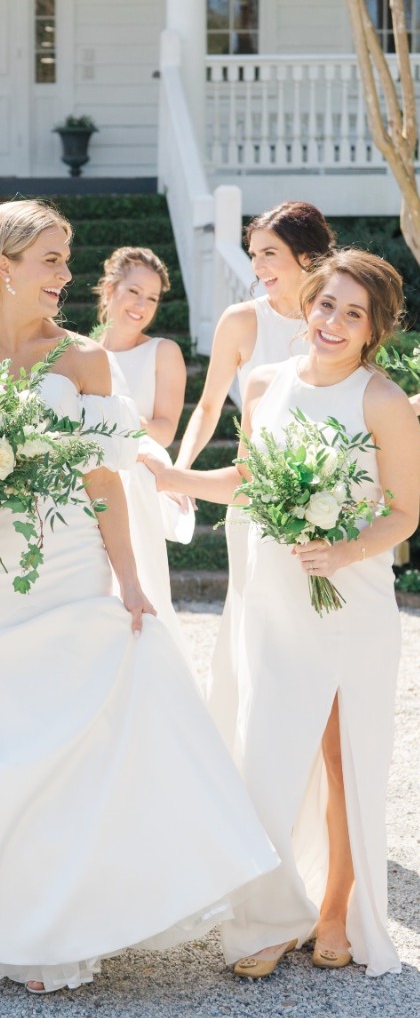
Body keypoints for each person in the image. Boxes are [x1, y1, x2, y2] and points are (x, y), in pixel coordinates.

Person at [0, 199, 278, 993]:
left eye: (68, 260)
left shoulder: (83, 361)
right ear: (4, 263)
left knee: (66, 733)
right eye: (50, 259)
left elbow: (103, 475)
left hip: (67, 558)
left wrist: (132, 579)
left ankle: (61, 926)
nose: (66, 276)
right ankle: (3, 913)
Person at [146, 249, 420, 977]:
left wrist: (346, 551)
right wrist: (179, 477)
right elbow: (249, 477)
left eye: (352, 314)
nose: (332, 322)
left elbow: (404, 513)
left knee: (340, 757)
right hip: (274, 595)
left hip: (348, 602)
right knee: (266, 751)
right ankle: (266, 918)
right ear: (307, 306)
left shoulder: (382, 401)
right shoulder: (265, 382)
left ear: (374, 330)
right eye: (325, 305)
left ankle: (336, 910)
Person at [175, 201, 337, 744]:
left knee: (315, 624)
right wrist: (182, 468)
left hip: (329, 497)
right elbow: (208, 405)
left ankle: (308, 735)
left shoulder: (335, 321)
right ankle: (246, 740)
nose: (258, 268)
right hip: (256, 495)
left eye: (269, 255)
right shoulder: (242, 321)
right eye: (253, 256)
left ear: (307, 256)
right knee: (256, 616)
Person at [95, 247, 191, 656]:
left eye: (151, 298)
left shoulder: (163, 351)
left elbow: (166, 429)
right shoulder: (82, 351)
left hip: (139, 466)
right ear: (109, 289)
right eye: (134, 292)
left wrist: (117, 425)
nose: (142, 305)